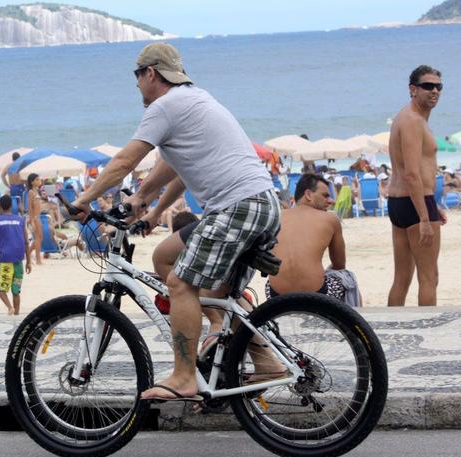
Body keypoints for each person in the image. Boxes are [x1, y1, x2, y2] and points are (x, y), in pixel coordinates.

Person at [69, 42, 282, 402]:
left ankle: (184, 376)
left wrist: (84, 199)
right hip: (258, 204)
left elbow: (124, 161)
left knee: (181, 283)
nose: (136, 85)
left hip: (238, 206)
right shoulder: (194, 100)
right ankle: (265, 360)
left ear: (150, 73)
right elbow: (176, 168)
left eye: (137, 77)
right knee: (169, 257)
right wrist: (144, 204)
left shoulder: (164, 106)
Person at [386, 65, 447, 307]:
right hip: (415, 202)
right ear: (413, 89)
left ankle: (391, 331)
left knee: (402, 278)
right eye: (427, 86)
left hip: (401, 202)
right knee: (429, 277)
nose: (434, 91)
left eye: (438, 86)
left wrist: (432, 205)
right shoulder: (412, 120)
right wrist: (424, 217)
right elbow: (412, 173)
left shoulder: (407, 117)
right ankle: (429, 333)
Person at [265, 174, 359, 304]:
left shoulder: (276, 217)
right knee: (348, 278)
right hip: (317, 294)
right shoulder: (330, 219)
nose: (331, 201)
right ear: (308, 194)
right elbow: (339, 265)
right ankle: (349, 322)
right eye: (325, 195)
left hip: (276, 297)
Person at [0, 195, 31, 315]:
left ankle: (10, 307)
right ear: (11, 206)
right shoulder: (21, 220)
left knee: (0, 288)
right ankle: (16, 315)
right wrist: (29, 262)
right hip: (18, 260)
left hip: (4, 259)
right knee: (16, 291)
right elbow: (26, 241)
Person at [25, 173, 43, 265]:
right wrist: (32, 220)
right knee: (38, 238)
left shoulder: (37, 191)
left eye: (39, 179)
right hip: (35, 218)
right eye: (36, 179)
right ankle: (38, 259)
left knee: (39, 238)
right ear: (32, 182)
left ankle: (28, 253)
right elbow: (29, 207)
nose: (39, 180)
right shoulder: (31, 192)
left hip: (38, 217)